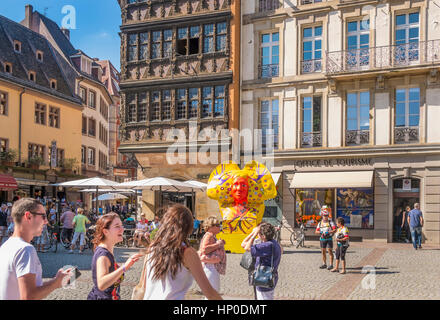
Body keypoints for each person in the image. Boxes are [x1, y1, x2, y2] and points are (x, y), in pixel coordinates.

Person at [143, 204, 222, 300]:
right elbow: (210, 294)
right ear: (189, 227)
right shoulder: (187, 253)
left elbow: (143, 287)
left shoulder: (152, 247)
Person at [0, 198, 71, 300]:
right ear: (28, 216)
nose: (46, 221)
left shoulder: (6, 246)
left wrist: (55, 280)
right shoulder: (25, 249)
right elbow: (29, 296)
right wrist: (56, 283)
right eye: (43, 216)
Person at [87, 213, 142, 300]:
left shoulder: (107, 250)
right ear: (106, 231)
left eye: (121, 225)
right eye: (117, 226)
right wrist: (125, 267)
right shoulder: (103, 255)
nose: (122, 229)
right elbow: (101, 284)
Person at [241, 222, 282, 300]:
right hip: (270, 277)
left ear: (263, 236)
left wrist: (253, 234)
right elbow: (243, 244)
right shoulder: (273, 243)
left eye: (259, 234)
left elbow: (246, 247)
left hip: (263, 278)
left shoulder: (266, 246)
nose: (257, 235)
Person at [198, 217, 226, 296]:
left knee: (212, 292)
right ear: (211, 227)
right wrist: (218, 244)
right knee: (212, 293)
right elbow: (205, 249)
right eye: (217, 225)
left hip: (211, 266)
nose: (219, 227)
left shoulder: (211, 235)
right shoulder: (209, 235)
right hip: (210, 267)